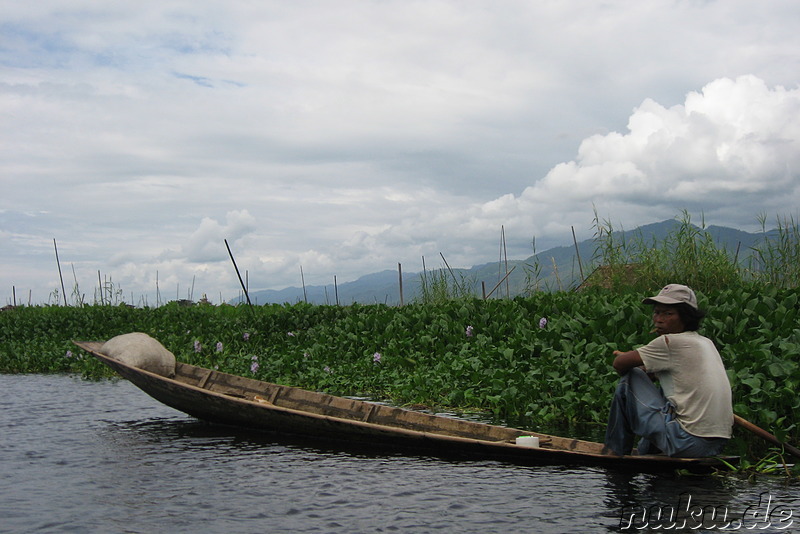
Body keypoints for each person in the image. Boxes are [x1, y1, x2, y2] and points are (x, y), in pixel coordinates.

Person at [603, 284, 733, 457]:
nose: (659, 319)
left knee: (630, 377)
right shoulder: (705, 342)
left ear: (686, 318)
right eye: (657, 312)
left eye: (668, 313)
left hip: (686, 443)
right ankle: (648, 450)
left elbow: (619, 364)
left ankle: (615, 451)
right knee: (664, 385)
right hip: (714, 446)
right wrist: (650, 373)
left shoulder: (669, 342)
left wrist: (633, 366)